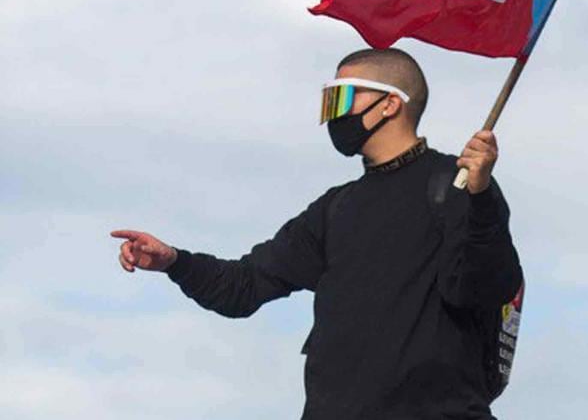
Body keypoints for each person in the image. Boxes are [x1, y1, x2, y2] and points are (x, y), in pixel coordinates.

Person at [110, 48, 524, 420]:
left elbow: (483, 286)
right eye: (329, 101)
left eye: (342, 98)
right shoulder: (335, 208)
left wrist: (480, 195)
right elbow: (243, 286)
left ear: (390, 105)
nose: (332, 115)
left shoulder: (460, 185)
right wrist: (175, 262)